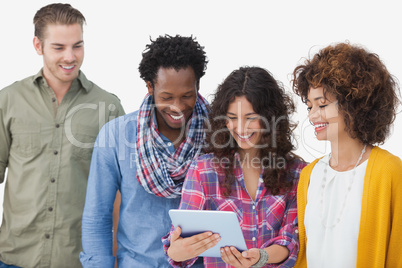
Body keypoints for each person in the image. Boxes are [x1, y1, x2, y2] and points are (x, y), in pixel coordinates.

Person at [0, 3, 125, 268]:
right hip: (14, 258)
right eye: (58, 47)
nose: (70, 57)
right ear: (38, 45)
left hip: (80, 260)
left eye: (77, 46)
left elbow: (119, 195)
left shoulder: (109, 108)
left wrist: (113, 258)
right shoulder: (8, 101)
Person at [80, 34, 209, 267]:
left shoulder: (219, 136)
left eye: (187, 96)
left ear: (198, 86)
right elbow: (97, 218)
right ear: (150, 87)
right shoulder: (115, 137)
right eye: (167, 97)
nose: (177, 107)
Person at [163, 66, 307, 268]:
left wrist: (261, 257)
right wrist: (176, 250)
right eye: (232, 118)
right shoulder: (204, 170)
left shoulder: (297, 172)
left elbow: (292, 240)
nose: (240, 128)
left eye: (250, 118)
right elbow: (180, 240)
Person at [292, 42, 402, 268]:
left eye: (322, 105)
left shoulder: (389, 171)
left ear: (354, 104)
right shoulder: (309, 176)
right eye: (309, 107)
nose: (313, 116)